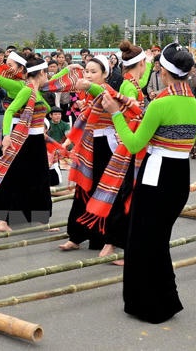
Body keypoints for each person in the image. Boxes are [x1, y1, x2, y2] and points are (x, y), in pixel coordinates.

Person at [101, 42, 196, 324]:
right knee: (159, 240)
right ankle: (165, 300)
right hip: (180, 173)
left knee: (142, 239)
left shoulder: (160, 104)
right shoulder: (195, 105)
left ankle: (148, 304)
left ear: (163, 70)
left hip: (156, 173)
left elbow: (134, 144)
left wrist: (116, 113)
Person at [59, 55, 141, 255]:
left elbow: (100, 91)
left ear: (105, 74)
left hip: (108, 146)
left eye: (93, 72)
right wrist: (67, 70)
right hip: (90, 145)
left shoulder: (106, 91)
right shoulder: (87, 95)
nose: (88, 75)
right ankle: (76, 236)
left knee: (109, 191)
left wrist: (88, 86)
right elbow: (54, 86)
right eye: (86, 71)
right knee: (83, 190)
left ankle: (107, 240)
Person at [0, 42, 54, 231]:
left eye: (10, 65)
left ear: (22, 69)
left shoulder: (28, 87)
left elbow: (48, 100)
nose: (6, 68)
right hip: (22, 137)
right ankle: (2, 219)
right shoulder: (22, 87)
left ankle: (3, 218)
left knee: (18, 177)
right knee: (18, 178)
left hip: (29, 136)